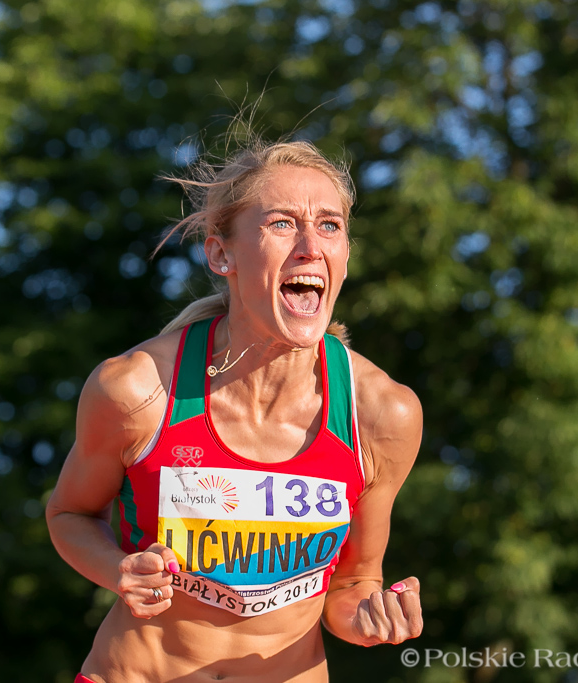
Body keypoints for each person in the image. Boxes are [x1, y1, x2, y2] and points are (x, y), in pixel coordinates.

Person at [46, 137, 424, 682]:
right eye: (281, 224)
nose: (309, 247)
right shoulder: (136, 390)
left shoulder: (382, 414)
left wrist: (369, 616)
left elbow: (351, 583)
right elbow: (69, 515)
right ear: (221, 253)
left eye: (329, 225)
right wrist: (118, 569)